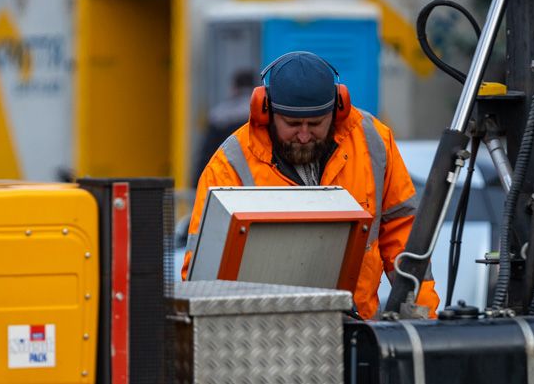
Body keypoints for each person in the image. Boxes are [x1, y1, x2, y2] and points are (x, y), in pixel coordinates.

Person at [182, 50, 439, 319]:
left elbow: (404, 236)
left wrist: (420, 318)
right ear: (265, 111)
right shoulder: (229, 166)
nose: (304, 136)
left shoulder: (373, 141)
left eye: (315, 123)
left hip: (360, 328)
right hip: (264, 331)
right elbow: (202, 275)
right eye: (292, 124)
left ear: (338, 109)